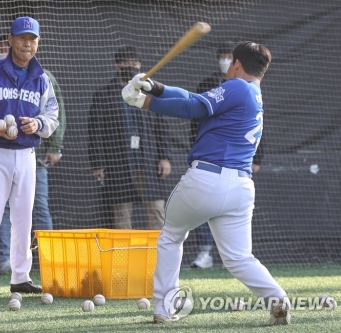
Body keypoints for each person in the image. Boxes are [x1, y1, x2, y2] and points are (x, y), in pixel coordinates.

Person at [122, 41, 290, 325]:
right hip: (240, 187)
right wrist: (154, 88)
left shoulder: (236, 87)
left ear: (237, 64)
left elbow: (193, 106)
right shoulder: (253, 92)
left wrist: (143, 102)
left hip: (206, 179)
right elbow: (194, 97)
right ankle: (278, 300)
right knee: (239, 258)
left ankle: (164, 307)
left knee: (171, 236)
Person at [0, 16, 59, 295]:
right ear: (10, 40)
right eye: (22, 38)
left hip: (27, 153)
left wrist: (38, 124)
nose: (27, 44)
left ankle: (20, 277)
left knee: (23, 217)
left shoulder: (42, 78)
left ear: (38, 43)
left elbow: (52, 115)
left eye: (32, 39)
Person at [0, 34, 67, 274]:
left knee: (39, 207)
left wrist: (54, 147)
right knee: (2, 208)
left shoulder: (44, 77)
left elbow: (57, 114)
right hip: (0, 154)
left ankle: (50, 258)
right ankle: (5, 260)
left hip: (34, 155)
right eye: (6, 45)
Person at [190, 41, 265, 269]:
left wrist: (256, 158)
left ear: (238, 63)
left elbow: (255, 124)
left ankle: (234, 258)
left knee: (233, 226)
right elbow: (195, 117)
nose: (226, 61)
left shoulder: (247, 87)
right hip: (209, 160)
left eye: (229, 57)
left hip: (239, 164)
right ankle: (205, 253)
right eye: (222, 56)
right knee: (199, 211)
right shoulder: (208, 84)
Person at [88, 46, 172, 230]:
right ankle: (123, 258)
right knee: (122, 213)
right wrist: (98, 164)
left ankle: (159, 257)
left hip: (148, 161)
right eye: (127, 64)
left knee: (157, 210)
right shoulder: (104, 95)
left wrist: (164, 157)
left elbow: (161, 128)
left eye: (135, 64)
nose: (132, 67)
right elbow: (95, 131)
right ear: (117, 66)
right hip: (118, 162)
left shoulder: (149, 91)